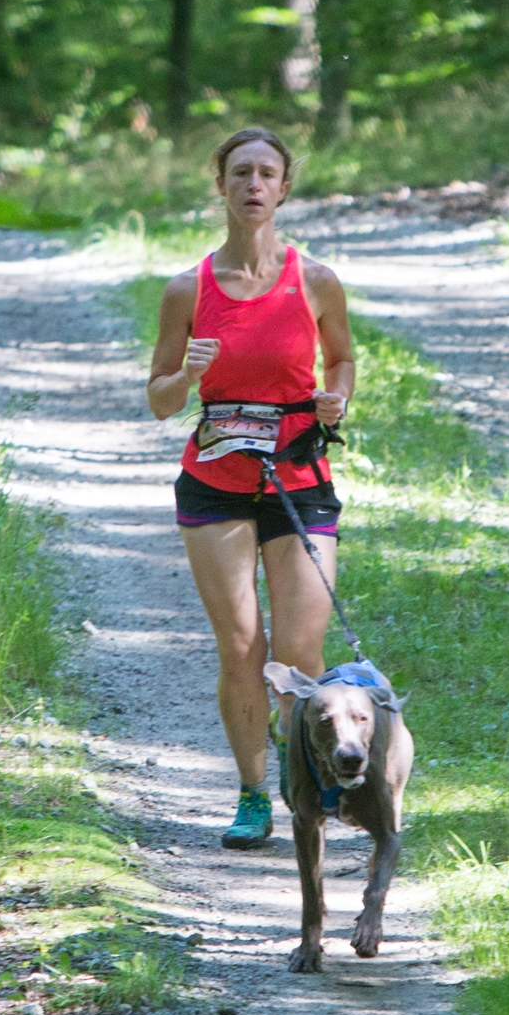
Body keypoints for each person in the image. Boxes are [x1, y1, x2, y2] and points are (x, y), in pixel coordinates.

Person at [146, 128, 354, 850]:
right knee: (241, 644)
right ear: (223, 186)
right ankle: (252, 793)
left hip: (299, 476)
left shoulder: (315, 280)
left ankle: (313, 780)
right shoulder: (189, 289)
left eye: (267, 173)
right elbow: (159, 400)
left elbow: (344, 360)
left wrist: (337, 399)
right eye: (241, 173)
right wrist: (187, 375)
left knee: (299, 647)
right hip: (216, 482)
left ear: (284, 188)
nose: (254, 185)